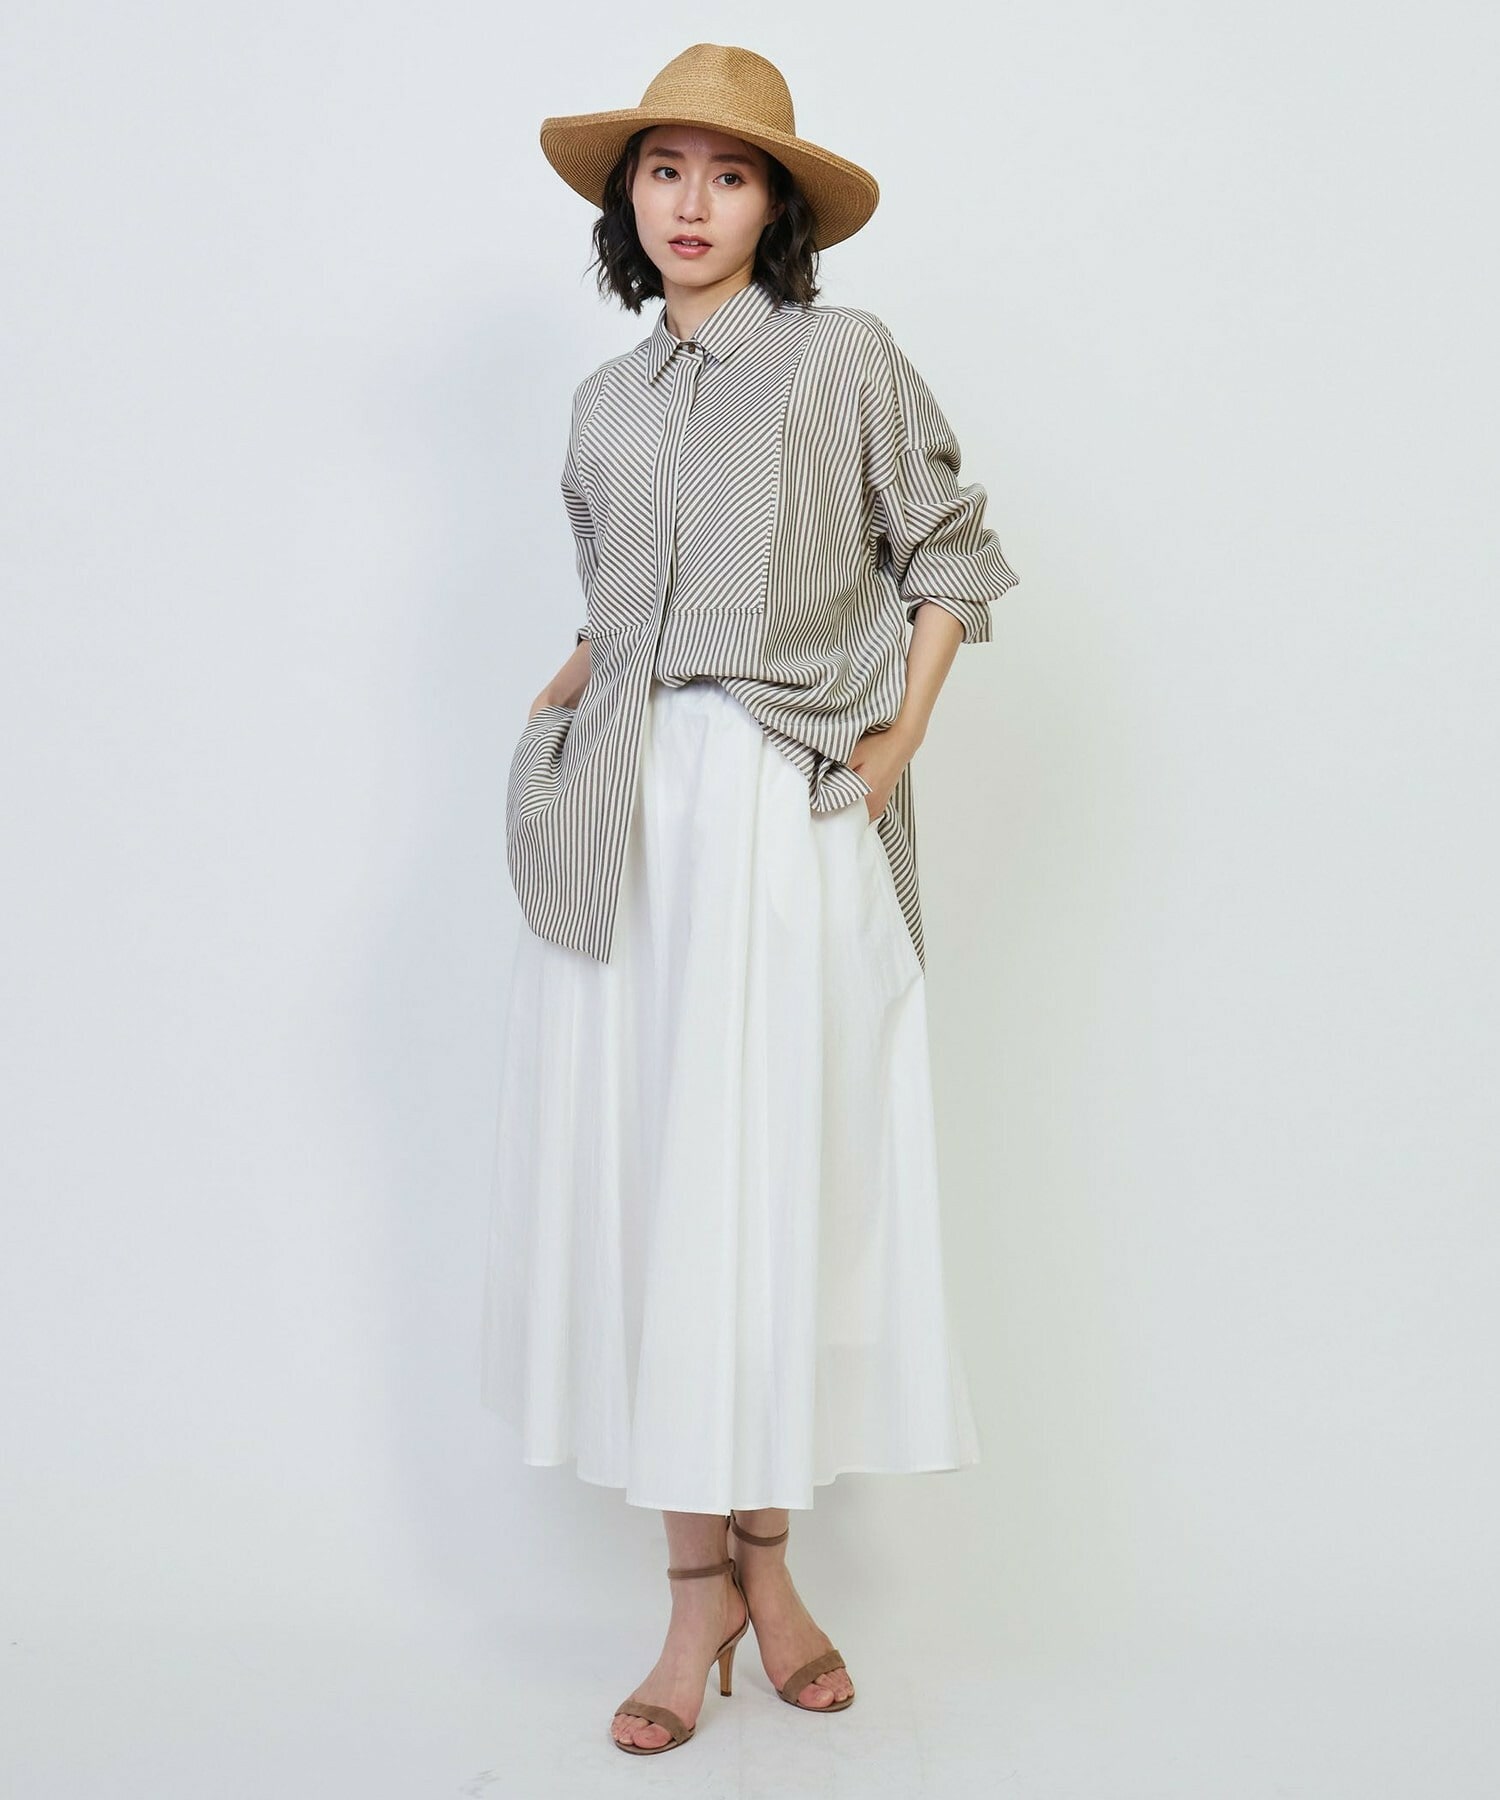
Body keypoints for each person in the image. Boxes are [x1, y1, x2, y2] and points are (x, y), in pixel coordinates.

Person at [479, 43, 1020, 1756]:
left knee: (771, 1182)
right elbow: (620, 608)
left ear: (776, 203)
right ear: (627, 200)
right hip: (624, 818)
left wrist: (898, 741)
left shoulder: (843, 357)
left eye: (727, 173)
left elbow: (946, 553)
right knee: (655, 1187)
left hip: (777, 811)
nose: (691, 203)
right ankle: (693, 1597)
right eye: (664, 171)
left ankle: (767, 1576)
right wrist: (560, 702)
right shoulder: (604, 403)